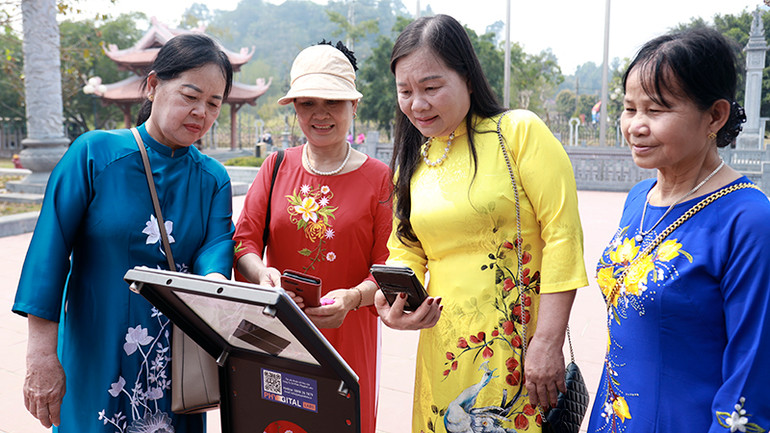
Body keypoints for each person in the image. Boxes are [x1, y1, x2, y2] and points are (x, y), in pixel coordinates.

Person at [374, 14, 588, 432]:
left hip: (518, 351)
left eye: (432, 87)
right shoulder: (412, 162)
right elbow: (406, 249)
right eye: (405, 91)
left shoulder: (518, 133)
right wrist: (394, 303)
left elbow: (563, 236)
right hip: (445, 347)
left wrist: (547, 341)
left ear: (468, 78)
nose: (417, 103)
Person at [13, 33, 235, 433]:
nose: (201, 112)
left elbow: (216, 245)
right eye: (190, 95)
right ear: (153, 86)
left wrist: (216, 279)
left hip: (175, 364)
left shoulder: (213, 179)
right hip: (96, 353)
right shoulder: (94, 153)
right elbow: (48, 252)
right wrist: (41, 356)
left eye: (214, 103)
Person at [587, 27, 770, 432]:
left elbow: (752, 375)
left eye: (655, 111)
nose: (635, 125)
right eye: (629, 109)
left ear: (715, 115)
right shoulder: (639, 197)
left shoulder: (749, 220)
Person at [233, 41, 392, 433]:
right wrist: (261, 275)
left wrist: (353, 298)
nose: (320, 115)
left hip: (348, 336)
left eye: (333, 103)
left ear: (354, 106)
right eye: (307, 104)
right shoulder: (276, 166)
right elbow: (244, 242)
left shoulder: (379, 178)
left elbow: (388, 267)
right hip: (278, 333)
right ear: (295, 108)